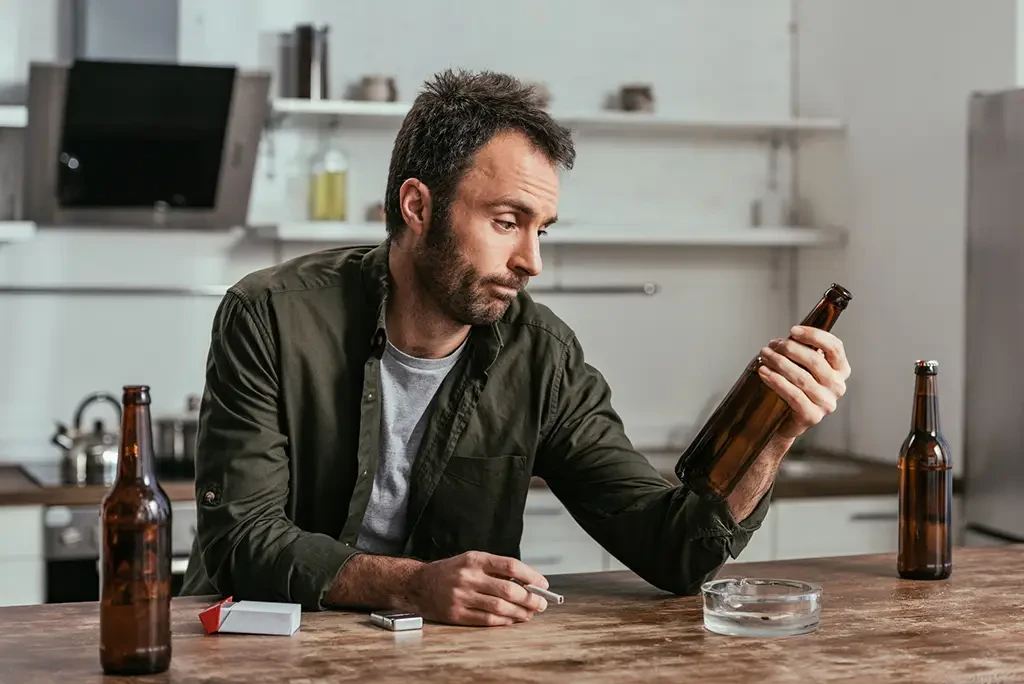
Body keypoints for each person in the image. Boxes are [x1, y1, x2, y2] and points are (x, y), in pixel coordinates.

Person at [180, 69, 852, 627]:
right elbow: (243, 540)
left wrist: (775, 431)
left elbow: (674, 551)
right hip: (263, 651)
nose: (531, 260)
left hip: (453, 666)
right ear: (418, 207)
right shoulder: (269, 314)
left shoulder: (542, 353)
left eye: (542, 231)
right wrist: (414, 586)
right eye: (506, 222)